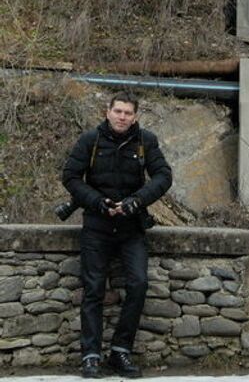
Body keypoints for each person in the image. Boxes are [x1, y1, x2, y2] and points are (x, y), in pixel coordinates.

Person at [62, 91, 172, 379]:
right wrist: (98, 202)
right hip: (96, 226)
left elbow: (163, 175)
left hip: (131, 227)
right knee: (94, 289)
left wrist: (138, 200)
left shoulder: (146, 141)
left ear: (135, 116)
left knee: (138, 284)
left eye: (128, 113)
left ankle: (121, 352)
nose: (122, 117)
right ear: (107, 111)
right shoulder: (90, 140)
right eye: (118, 111)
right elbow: (70, 176)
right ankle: (91, 356)